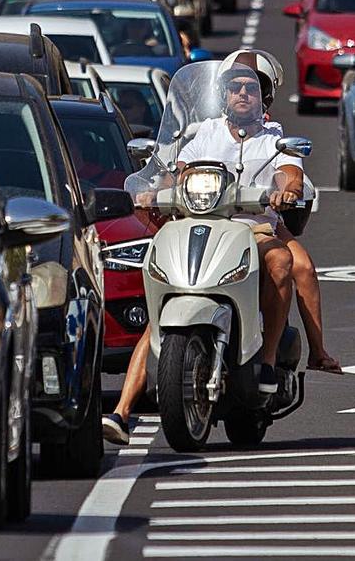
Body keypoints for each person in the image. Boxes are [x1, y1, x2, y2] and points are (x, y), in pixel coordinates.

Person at [102, 62, 302, 443]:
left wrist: (284, 190)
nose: (243, 93)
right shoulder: (203, 134)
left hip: (250, 225)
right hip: (199, 222)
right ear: (224, 96)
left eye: (251, 88)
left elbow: (288, 173)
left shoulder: (272, 137)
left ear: (263, 99)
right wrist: (151, 189)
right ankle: (121, 412)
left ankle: (267, 361)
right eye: (235, 87)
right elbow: (174, 173)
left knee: (280, 260)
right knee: (157, 317)